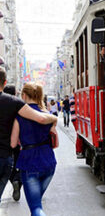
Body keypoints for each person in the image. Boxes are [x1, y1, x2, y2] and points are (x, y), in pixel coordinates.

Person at [0, 67, 57, 204]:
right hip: (3, 156)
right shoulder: (13, 102)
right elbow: (41, 119)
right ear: (5, 82)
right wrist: (54, 119)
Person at [10, 82, 57, 216]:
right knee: (36, 203)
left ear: (24, 95)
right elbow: (55, 141)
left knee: (36, 207)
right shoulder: (47, 114)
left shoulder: (19, 117)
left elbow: (13, 144)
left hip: (29, 163)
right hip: (49, 163)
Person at [3, 85, 22, 201]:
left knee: (8, 166)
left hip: (4, 142)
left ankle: (14, 180)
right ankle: (18, 181)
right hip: (18, 141)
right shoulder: (17, 105)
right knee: (20, 164)